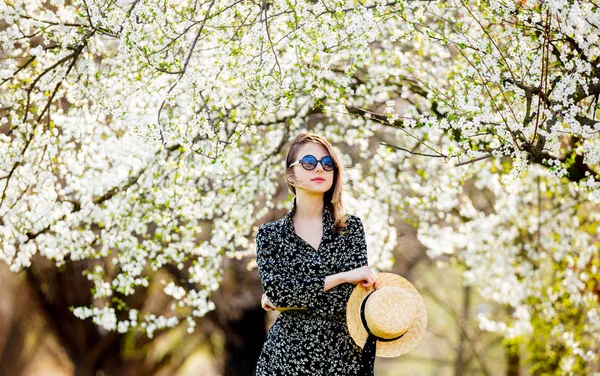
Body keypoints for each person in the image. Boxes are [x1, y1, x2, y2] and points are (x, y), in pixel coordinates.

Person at [254, 132, 379, 375]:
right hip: (286, 360)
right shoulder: (270, 235)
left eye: (327, 163)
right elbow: (279, 294)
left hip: (344, 359)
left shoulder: (351, 229)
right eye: (309, 163)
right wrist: (342, 277)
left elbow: (350, 301)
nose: (319, 169)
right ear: (291, 173)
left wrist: (289, 299)